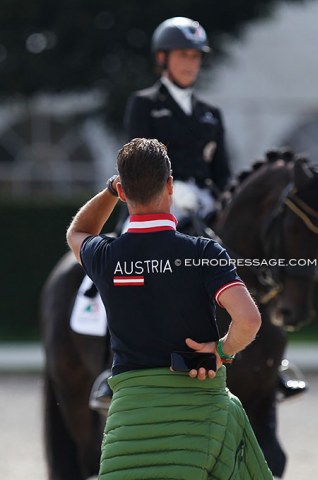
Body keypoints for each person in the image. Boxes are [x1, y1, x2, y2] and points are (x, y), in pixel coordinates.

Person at [66, 138, 272, 479]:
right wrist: (222, 350)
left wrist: (109, 192)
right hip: (200, 412)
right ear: (170, 185)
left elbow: (79, 231)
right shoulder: (205, 252)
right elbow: (249, 320)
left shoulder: (105, 256)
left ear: (123, 190)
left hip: (128, 423)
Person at [118, 16, 230, 229]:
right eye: (182, 55)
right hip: (155, 201)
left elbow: (222, 172)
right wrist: (172, 189)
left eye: (195, 56)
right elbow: (138, 163)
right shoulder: (144, 104)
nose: (190, 63)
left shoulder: (211, 113)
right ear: (162, 57)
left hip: (206, 203)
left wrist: (228, 198)